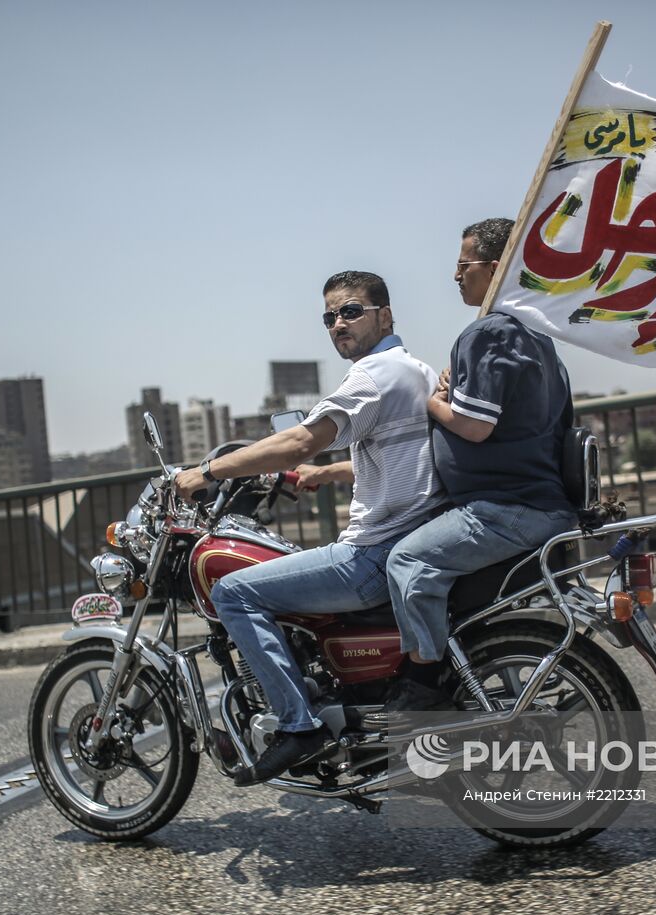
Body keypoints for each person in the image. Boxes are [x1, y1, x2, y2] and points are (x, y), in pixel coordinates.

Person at [174, 270, 443, 783]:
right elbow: (403, 456)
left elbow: (301, 439)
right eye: (329, 317)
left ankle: (299, 727)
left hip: (374, 553)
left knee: (234, 592)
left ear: (385, 315)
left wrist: (206, 472)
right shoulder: (417, 371)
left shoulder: (372, 375)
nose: (338, 323)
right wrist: (331, 472)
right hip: (409, 535)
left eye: (351, 311)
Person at [366, 218, 578, 727]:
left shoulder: (487, 331)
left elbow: (475, 427)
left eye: (463, 266)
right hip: (531, 503)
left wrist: (432, 402)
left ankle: (421, 682)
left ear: (496, 267)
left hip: (506, 508)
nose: (455, 277)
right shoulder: (536, 337)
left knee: (407, 562)